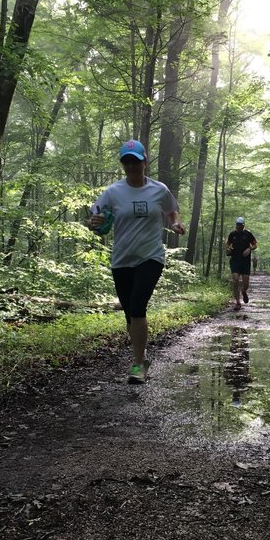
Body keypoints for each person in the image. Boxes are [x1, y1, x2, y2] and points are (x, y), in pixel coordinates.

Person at [87, 139, 185, 384]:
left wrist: (174, 223)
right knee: (130, 313)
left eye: (136, 161)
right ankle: (142, 355)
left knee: (138, 305)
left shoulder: (159, 189)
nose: (131, 165)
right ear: (123, 164)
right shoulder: (112, 192)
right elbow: (96, 219)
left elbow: (171, 210)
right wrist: (94, 223)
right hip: (122, 259)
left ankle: (138, 364)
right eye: (126, 161)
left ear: (144, 162)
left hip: (151, 256)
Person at [225, 216, 257, 311]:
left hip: (245, 262)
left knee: (246, 284)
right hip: (235, 260)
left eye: (240, 225)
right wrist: (228, 249)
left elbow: (255, 244)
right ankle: (238, 302)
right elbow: (227, 243)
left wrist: (249, 248)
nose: (238, 226)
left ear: (243, 225)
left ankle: (243, 292)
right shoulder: (232, 234)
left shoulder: (248, 234)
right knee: (235, 280)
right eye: (237, 225)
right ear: (236, 225)